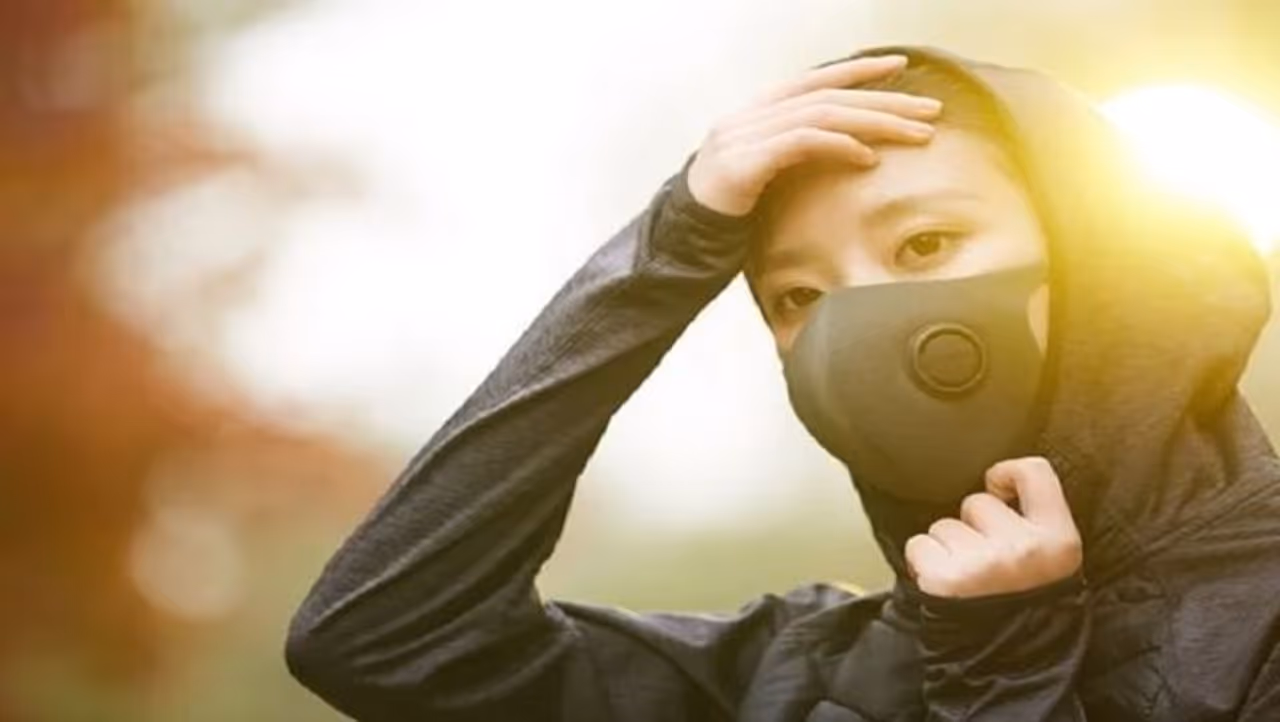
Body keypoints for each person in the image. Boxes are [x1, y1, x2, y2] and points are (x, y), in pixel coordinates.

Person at [283, 46, 1280, 721]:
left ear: (1096, 260)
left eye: (924, 242)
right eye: (796, 296)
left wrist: (1006, 665)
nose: (853, 328)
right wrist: (671, 249)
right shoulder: (791, 672)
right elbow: (383, 638)